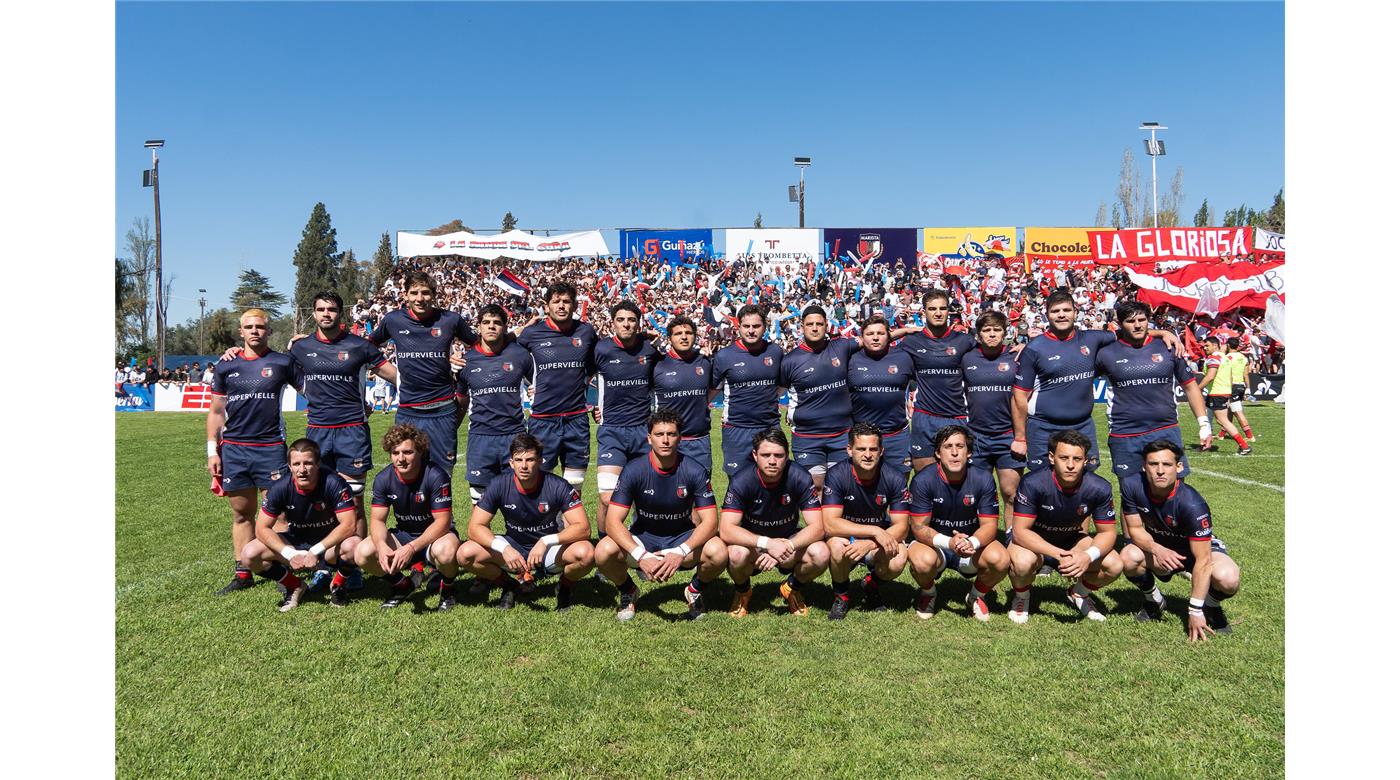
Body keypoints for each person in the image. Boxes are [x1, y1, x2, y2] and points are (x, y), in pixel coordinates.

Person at [1011, 289, 1184, 472]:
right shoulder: (1034, 349)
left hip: (1083, 425)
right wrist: (1020, 438)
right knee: (1042, 481)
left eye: (1066, 310)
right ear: (1047, 315)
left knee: (1087, 480)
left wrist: (1161, 332)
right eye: (1055, 311)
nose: (1061, 315)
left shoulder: (1092, 338)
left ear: (1075, 312)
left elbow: (1129, 331)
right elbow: (1019, 397)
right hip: (1043, 427)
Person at [595, 408, 726, 621]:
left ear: (680, 438)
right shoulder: (633, 470)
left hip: (681, 539)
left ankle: (694, 590)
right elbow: (612, 522)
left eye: (671, 434)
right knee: (603, 551)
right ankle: (628, 590)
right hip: (643, 540)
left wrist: (681, 551)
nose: (665, 440)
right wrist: (641, 555)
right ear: (649, 438)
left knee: (718, 551)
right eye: (659, 434)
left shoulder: (694, 470)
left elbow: (711, 522)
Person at [206, 309, 303, 596]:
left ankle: (285, 569)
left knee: (279, 515)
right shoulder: (226, 365)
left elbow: (312, 390)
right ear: (241, 332)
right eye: (249, 327)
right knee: (241, 514)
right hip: (234, 450)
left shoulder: (282, 362)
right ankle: (243, 574)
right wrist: (212, 451)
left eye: (260, 327)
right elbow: (216, 412)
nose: (255, 331)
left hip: (270, 448)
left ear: (269, 331)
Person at [457, 433, 596, 610]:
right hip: (513, 547)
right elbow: (474, 528)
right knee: (465, 553)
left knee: (586, 553)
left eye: (530, 460)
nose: (523, 466)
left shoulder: (558, 485)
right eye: (518, 460)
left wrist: (546, 541)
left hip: (548, 550)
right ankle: (509, 585)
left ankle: (564, 587)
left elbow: (584, 528)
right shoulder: (498, 484)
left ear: (540, 461)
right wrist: (504, 548)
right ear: (511, 463)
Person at [1118, 440, 1241, 640]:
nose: (1160, 471)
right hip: (1161, 547)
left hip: (1197, 550)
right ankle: (1154, 600)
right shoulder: (1131, 485)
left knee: (1228, 578)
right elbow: (1135, 530)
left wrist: (1194, 610)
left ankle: (1210, 606)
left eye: (1167, 464)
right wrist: (1158, 549)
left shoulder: (1192, 504)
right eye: (1153, 464)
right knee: (1128, 557)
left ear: (1179, 467)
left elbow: (1203, 560)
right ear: (1144, 466)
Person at [1005, 429, 1124, 624]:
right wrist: (1060, 555)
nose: (1070, 465)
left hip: (1071, 539)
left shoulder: (1099, 487)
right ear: (1052, 458)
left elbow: (1108, 533)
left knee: (1114, 564)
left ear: (1086, 461)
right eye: (1064, 458)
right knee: (1023, 562)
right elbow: (1020, 532)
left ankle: (1078, 593)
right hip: (1033, 541)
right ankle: (1022, 596)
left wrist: (1087, 556)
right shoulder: (1033, 482)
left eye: (1077, 459)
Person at [369, 270, 479, 475]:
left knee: (442, 474)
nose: (420, 298)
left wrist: (462, 359)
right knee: (406, 473)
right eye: (414, 293)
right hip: (408, 411)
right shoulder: (393, 320)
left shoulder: (450, 320)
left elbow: (480, 346)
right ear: (405, 295)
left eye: (426, 292)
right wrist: (389, 372)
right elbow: (366, 347)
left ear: (434, 295)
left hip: (443, 410)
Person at [1095, 301, 1214, 483]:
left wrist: (1204, 424)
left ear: (1148, 320)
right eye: (1130, 321)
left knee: (1174, 490)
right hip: (1124, 433)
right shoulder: (1106, 353)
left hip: (1166, 430)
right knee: (1131, 493)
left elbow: (1190, 387)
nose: (1137, 325)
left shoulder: (1169, 347)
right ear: (1120, 324)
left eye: (1142, 320)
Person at [717, 427, 828, 616]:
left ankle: (792, 588)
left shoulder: (799, 476)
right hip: (754, 547)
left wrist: (786, 546)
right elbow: (726, 529)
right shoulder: (741, 480)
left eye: (778, 455)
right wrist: (767, 544)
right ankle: (743, 592)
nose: (772, 461)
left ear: (787, 455)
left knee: (821, 553)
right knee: (735, 553)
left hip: (788, 545)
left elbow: (818, 527)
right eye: (765, 455)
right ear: (755, 455)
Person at [241, 439, 360, 612]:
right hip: (297, 544)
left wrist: (316, 550)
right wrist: (290, 554)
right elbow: (261, 528)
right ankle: (294, 585)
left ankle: (338, 585)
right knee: (249, 554)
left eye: (308, 463)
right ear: (289, 466)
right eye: (296, 464)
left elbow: (349, 525)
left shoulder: (334, 482)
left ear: (318, 464)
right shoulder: (280, 488)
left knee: (354, 545)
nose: (302, 470)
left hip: (329, 547)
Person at [907, 425, 1008, 621]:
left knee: (1001, 559)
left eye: (960, 446)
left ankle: (976, 596)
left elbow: (989, 525)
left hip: (971, 547)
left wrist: (972, 542)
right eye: (948, 447)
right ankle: (929, 593)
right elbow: (918, 527)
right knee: (920, 560)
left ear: (969, 452)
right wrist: (949, 543)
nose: (954, 452)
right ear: (938, 453)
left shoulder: (983, 478)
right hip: (936, 546)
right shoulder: (923, 480)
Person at [355, 424, 461, 611]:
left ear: (419, 451)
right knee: (363, 553)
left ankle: (448, 588)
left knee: (446, 551)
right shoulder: (383, 478)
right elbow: (377, 520)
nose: (401, 459)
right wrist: (381, 545)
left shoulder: (436, 475)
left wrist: (411, 548)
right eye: (395, 453)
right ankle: (402, 585)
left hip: (436, 537)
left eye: (407, 452)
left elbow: (443, 522)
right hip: (405, 535)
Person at [821, 422, 912, 620]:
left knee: (899, 557)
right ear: (849, 450)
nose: (868, 455)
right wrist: (874, 531)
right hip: (847, 537)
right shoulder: (836, 474)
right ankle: (842, 596)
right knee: (836, 546)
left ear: (881, 451)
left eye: (873, 449)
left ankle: (871, 584)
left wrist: (871, 541)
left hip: (876, 541)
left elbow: (902, 527)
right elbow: (830, 524)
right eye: (861, 449)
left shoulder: (895, 477)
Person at [517, 281, 597, 489]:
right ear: (547, 306)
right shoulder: (532, 333)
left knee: (574, 486)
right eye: (556, 301)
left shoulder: (586, 332)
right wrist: (529, 383)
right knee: (539, 485)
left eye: (566, 301)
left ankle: (570, 513)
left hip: (576, 420)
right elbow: (510, 358)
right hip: (543, 420)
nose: (561, 306)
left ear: (575, 305)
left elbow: (597, 363)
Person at [778, 305, 863, 490]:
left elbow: (873, 339)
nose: (815, 328)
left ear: (826, 325)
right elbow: (777, 393)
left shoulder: (842, 346)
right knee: (815, 486)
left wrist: (906, 331)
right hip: (807, 437)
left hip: (841, 434)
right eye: (810, 324)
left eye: (819, 324)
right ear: (802, 326)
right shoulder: (789, 361)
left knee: (841, 486)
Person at [591, 301, 660, 530]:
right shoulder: (601, 349)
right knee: (607, 498)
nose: (626, 324)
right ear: (613, 323)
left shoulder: (649, 351)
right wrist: (591, 406)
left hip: (643, 431)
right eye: (620, 320)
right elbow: (577, 379)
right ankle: (604, 547)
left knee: (646, 496)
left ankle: (641, 540)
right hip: (612, 431)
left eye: (631, 320)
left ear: (638, 324)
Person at [457, 304, 531, 502]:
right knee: (479, 502)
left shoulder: (520, 355)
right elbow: (461, 399)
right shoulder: (466, 361)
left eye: (497, 323)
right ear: (479, 327)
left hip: (514, 436)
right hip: (480, 438)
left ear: (505, 327)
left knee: (518, 500)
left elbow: (539, 384)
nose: (491, 326)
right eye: (486, 322)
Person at [897, 290, 976, 472]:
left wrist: (1020, 347)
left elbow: (991, 352)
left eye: (943, 308)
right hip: (924, 417)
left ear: (949, 311)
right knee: (924, 478)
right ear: (924, 312)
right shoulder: (911, 342)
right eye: (932, 309)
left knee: (957, 479)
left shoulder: (965, 341)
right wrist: (905, 330)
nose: (938, 313)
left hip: (956, 417)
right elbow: (879, 343)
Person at [961, 310, 1025, 521]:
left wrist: (1027, 346)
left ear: (1005, 333)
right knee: (975, 494)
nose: (991, 334)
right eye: (986, 330)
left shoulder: (1017, 356)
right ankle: (978, 537)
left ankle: (1012, 536)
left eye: (997, 330)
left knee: (1011, 493)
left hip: (1008, 436)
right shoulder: (966, 357)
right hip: (976, 436)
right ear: (978, 334)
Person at [710, 304, 784, 477]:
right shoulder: (724, 356)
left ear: (765, 327)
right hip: (737, 429)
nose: (751, 331)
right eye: (746, 326)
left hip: (769, 426)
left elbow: (782, 385)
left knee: (774, 479)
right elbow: (712, 391)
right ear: (739, 327)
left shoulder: (775, 352)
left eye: (756, 326)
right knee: (738, 482)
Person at [847, 317, 916, 474]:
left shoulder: (904, 357)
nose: (875, 337)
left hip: (897, 435)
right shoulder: (850, 359)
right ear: (862, 337)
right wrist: (905, 330)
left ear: (889, 335)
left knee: (899, 483)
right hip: (862, 437)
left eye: (880, 333)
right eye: (870, 334)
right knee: (863, 483)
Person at [651, 316, 715, 473]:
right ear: (670, 338)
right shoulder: (657, 365)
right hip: (667, 441)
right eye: (678, 333)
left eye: (689, 333)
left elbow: (715, 388)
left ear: (695, 336)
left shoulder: (706, 362)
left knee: (701, 487)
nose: (684, 337)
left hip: (699, 441)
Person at [1200, 337, 1253, 455]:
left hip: (1217, 392)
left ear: (1215, 345)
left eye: (1207, 345)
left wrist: (1197, 389)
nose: (1205, 348)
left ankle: (1244, 446)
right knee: (1209, 418)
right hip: (1223, 391)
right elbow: (1230, 377)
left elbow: (1210, 376)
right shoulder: (1225, 358)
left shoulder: (1214, 358)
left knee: (1222, 420)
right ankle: (1206, 443)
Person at [1225, 337, 1256, 442]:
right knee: (1230, 410)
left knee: (1237, 412)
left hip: (1232, 386)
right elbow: (1246, 374)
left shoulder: (1227, 358)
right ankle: (1221, 434)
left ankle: (1250, 436)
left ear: (1228, 345)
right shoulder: (1243, 357)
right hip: (1241, 386)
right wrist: (1248, 388)